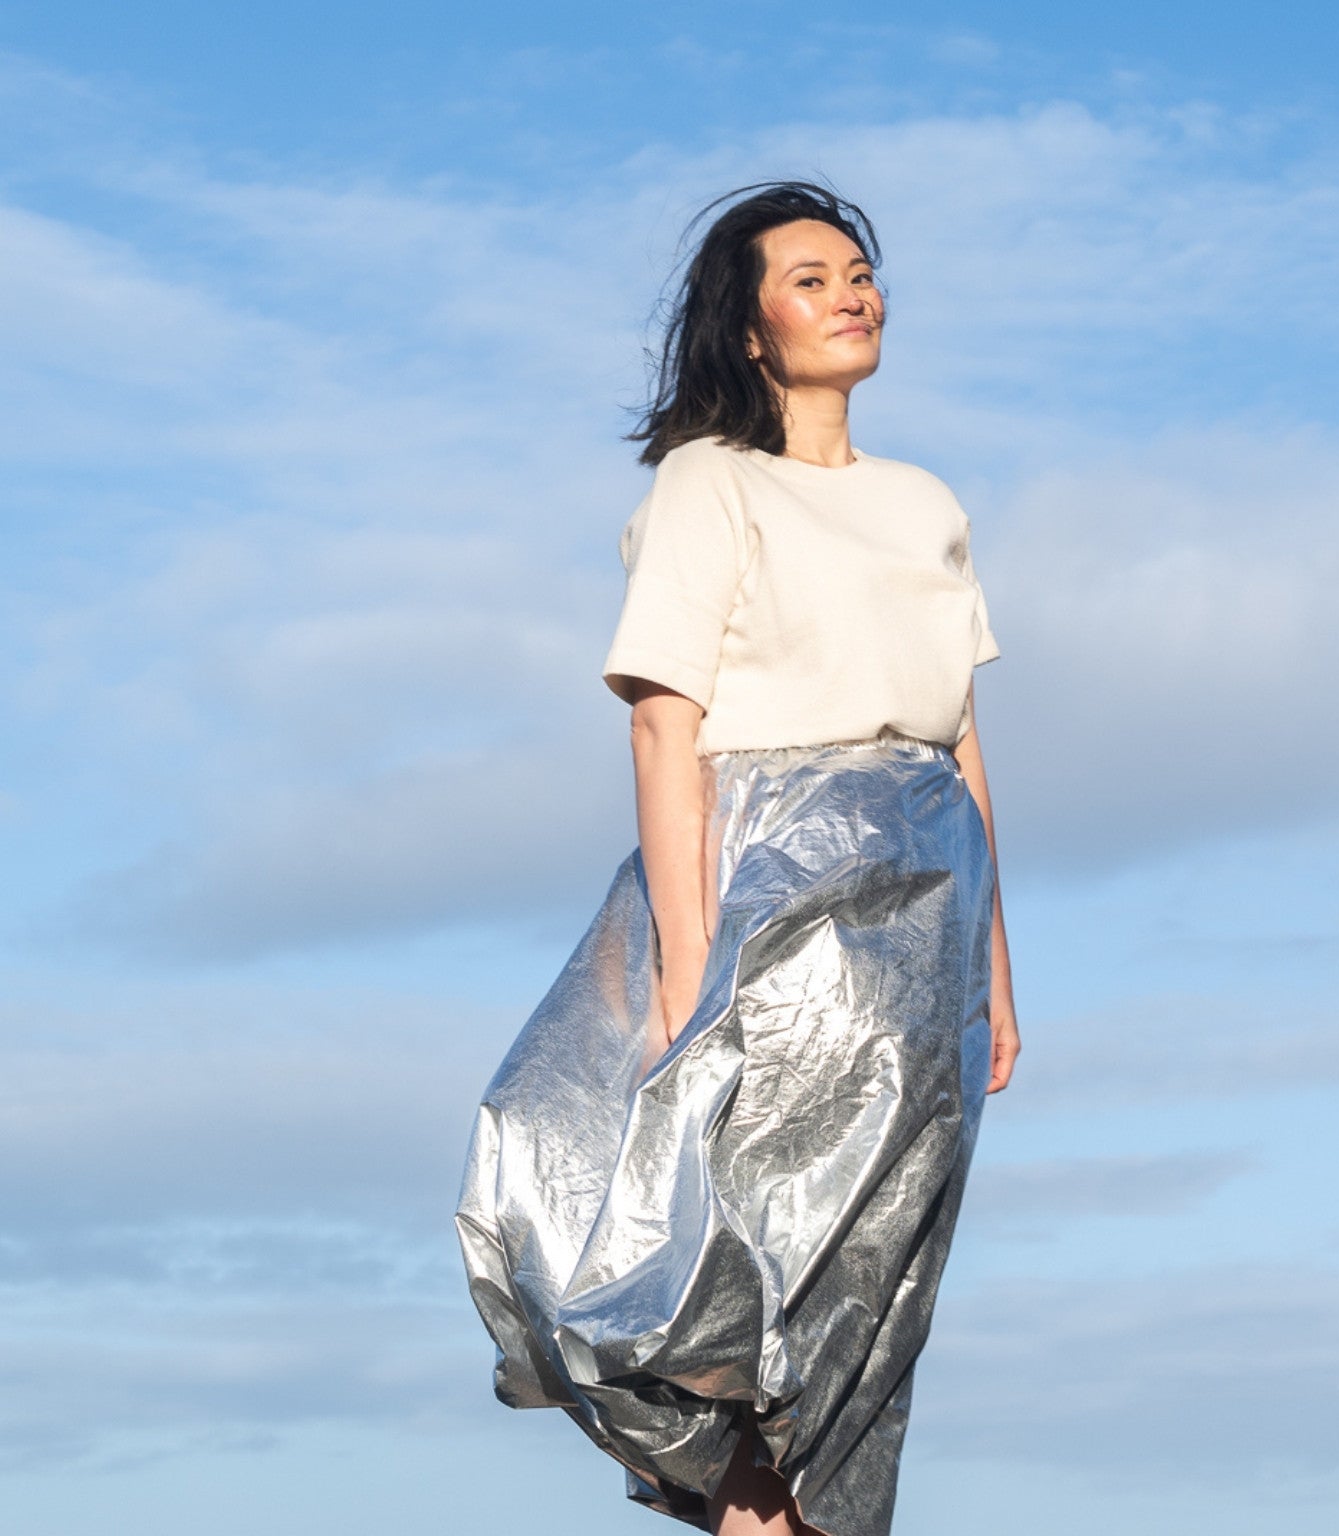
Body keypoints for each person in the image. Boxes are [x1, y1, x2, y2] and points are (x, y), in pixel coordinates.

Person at [456, 180, 1020, 1536]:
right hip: (769, 874)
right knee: (665, 1236)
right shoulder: (710, 481)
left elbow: (966, 740)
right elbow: (665, 726)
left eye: (861, 273)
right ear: (752, 329)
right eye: (813, 277)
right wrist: (686, 962)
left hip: (924, 908)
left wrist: (997, 969)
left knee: (863, 1283)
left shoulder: (925, 501)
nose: (852, 293)